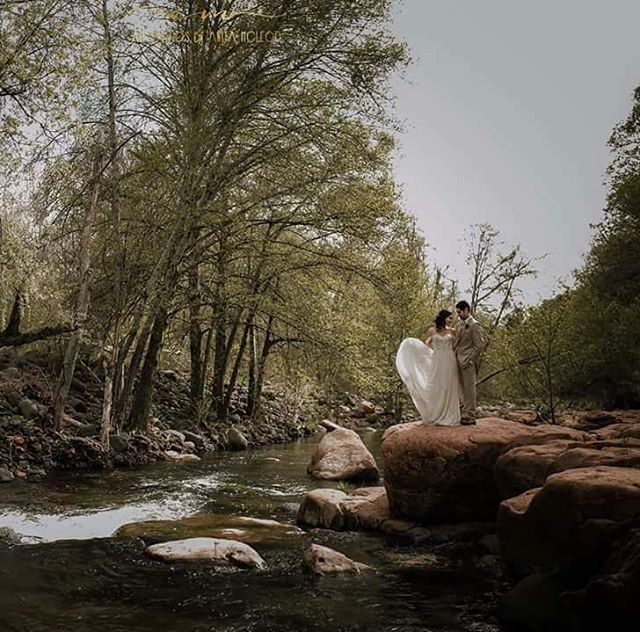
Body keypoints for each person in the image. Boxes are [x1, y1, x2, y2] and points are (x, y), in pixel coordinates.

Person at [395, 309, 461, 426]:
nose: (451, 320)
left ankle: (449, 414)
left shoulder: (453, 331)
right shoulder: (432, 330)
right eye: (450, 318)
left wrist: (456, 340)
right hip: (437, 359)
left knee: (448, 385)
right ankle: (435, 414)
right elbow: (427, 344)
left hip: (449, 359)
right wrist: (427, 350)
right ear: (443, 318)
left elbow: (455, 346)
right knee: (436, 385)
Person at [454, 300, 485, 424]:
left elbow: (479, 345)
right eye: (457, 312)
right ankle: (463, 413)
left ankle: (470, 416)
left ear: (466, 310)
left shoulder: (475, 325)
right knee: (461, 388)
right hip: (458, 360)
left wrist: (470, 360)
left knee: (470, 388)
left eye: (460, 312)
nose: (458, 314)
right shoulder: (460, 325)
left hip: (468, 362)